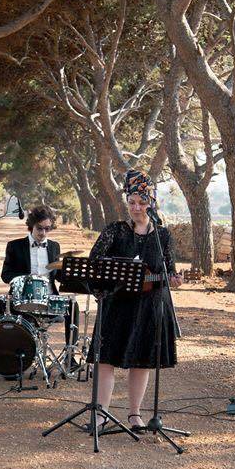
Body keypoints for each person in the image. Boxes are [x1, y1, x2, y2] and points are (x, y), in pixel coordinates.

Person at [87, 170, 182, 432]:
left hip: (148, 306)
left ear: (151, 203)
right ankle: (100, 414)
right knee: (105, 359)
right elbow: (94, 264)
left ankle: (135, 415)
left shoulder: (162, 236)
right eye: (132, 203)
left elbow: (169, 269)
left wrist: (173, 279)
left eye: (142, 203)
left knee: (141, 360)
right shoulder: (114, 231)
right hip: (117, 305)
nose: (136, 208)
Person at [0, 204, 80, 349]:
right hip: (22, 300)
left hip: (49, 299)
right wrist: (24, 280)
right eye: (39, 228)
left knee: (73, 306)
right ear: (31, 226)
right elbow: (6, 275)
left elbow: (59, 276)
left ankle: (70, 355)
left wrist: (71, 274)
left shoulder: (54, 247)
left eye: (47, 229)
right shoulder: (15, 246)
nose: (43, 233)